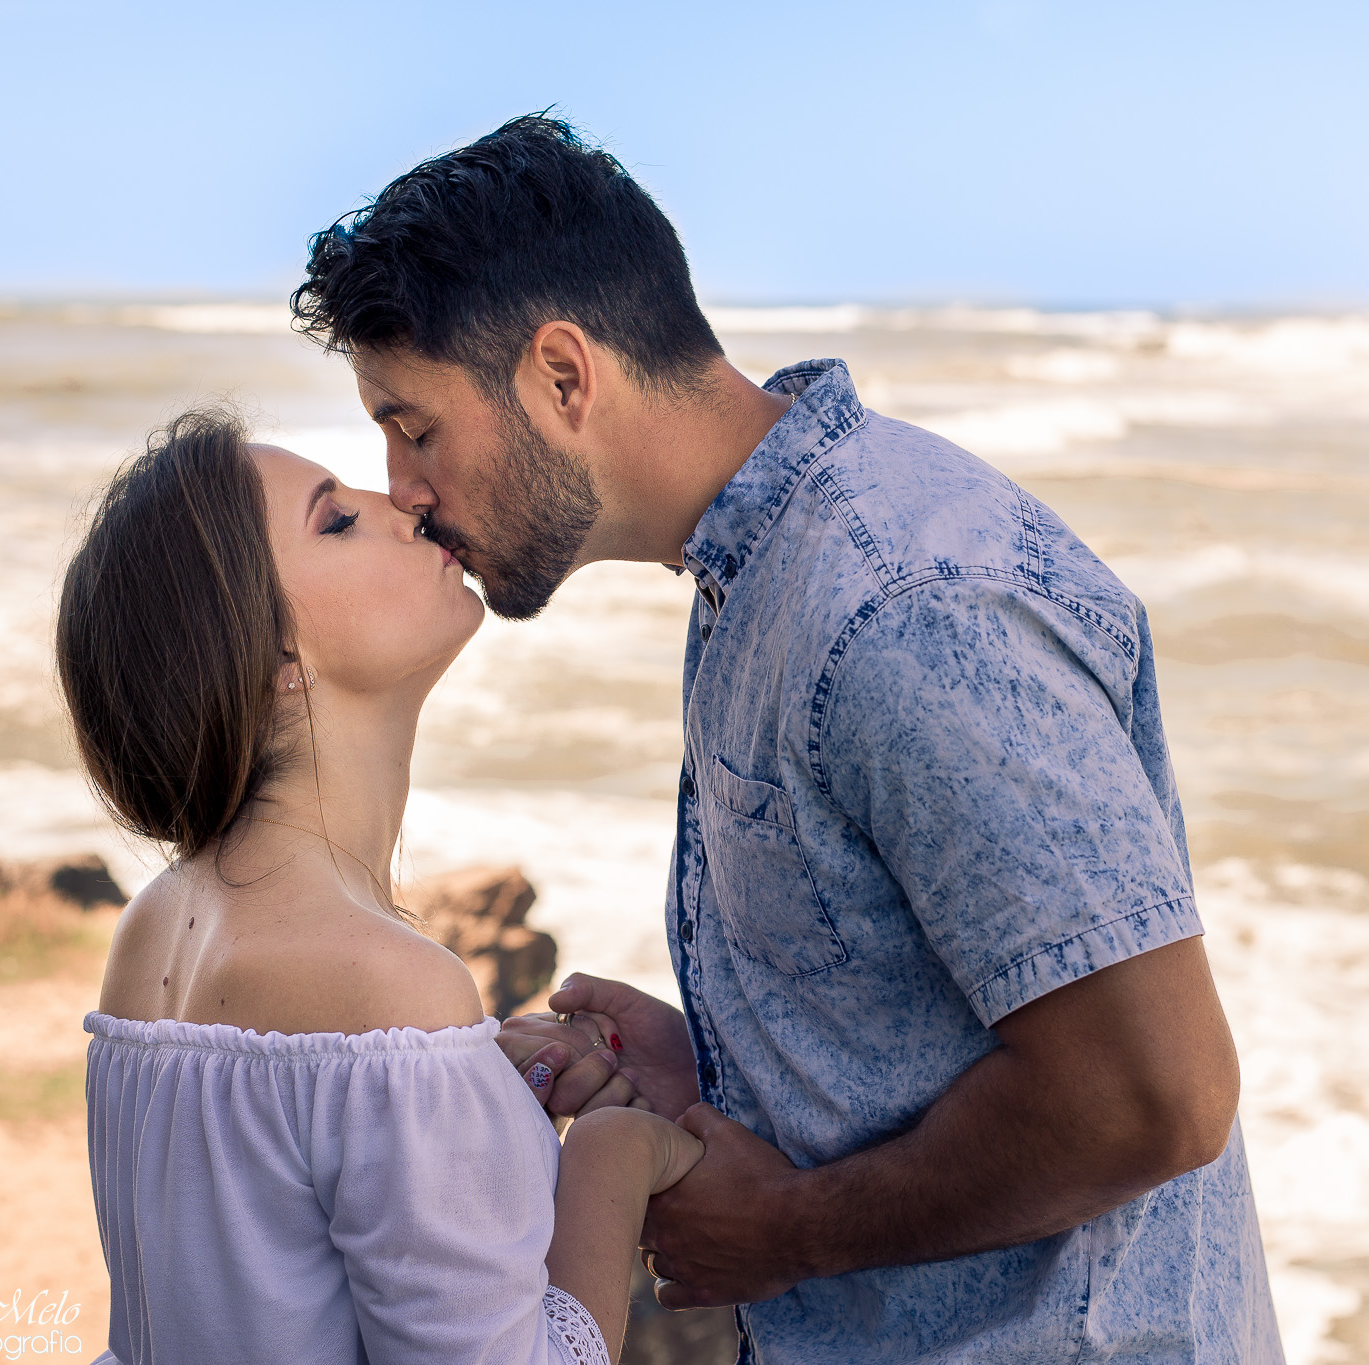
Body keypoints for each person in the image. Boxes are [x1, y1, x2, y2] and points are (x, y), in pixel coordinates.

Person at [292, 114, 1285, 1363]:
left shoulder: (900, 606)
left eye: (414, 427)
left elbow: (1156, 1097)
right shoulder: (759, 567)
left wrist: (787, 1231)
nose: (401, 489)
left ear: (562, 377)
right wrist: (723, 1068)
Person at [57, 410, 699, 1365]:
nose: (403, 504)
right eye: (337, 520)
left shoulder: (154, 928)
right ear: (275, 659)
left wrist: (479, 1093)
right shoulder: (386, 984)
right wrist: (616, 1150)